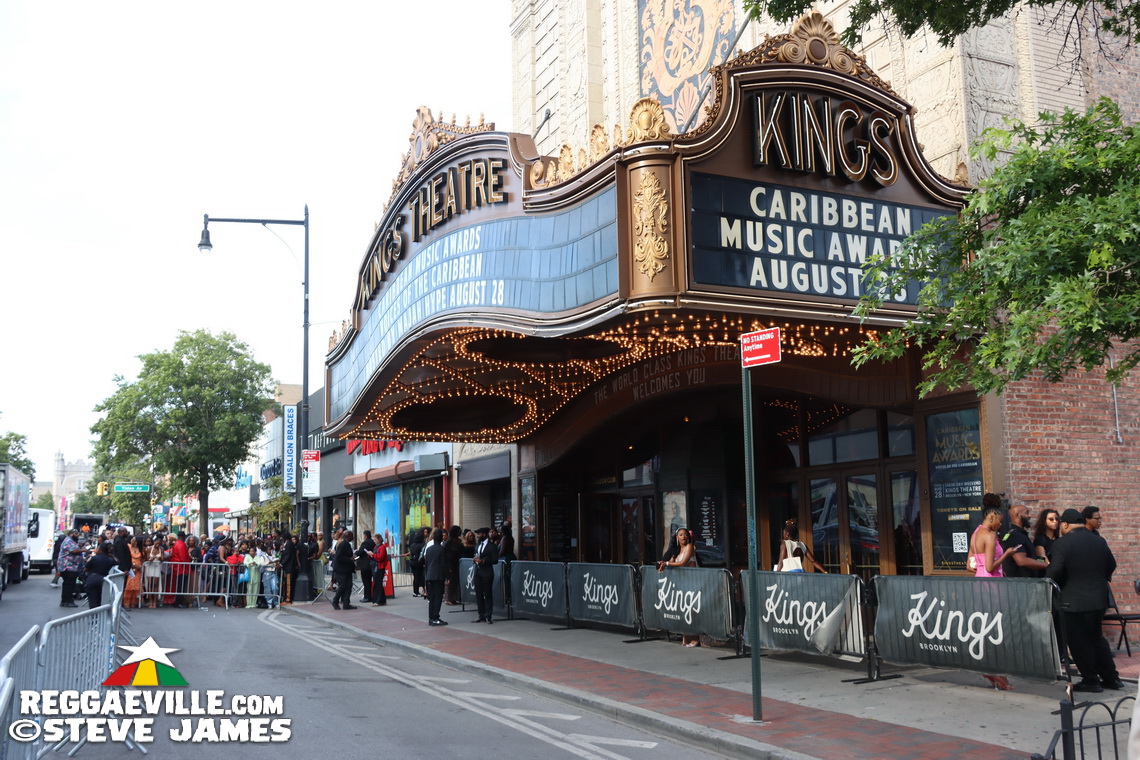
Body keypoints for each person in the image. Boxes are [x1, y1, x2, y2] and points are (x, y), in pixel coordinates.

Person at [1046, 508, 1125, 693]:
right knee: (1096, 638)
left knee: (1079, 641)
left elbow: (1055, 570)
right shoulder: (1098, 540)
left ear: (1065, 524)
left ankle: (1090, 680)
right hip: (1098, 599)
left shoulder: (1061, 544)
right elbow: (1111, 565)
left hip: (1073, 600)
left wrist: (1052, 581)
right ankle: (1111, 678)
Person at [972, 504, 1018, 690]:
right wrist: (1006, 554)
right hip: (991, 585)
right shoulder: (989, 537)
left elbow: (971, 565)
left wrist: (984, 567)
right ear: (992, 517)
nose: (1001, 524)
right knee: (996, 628)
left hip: (979, 583)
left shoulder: (975, 534)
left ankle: (992, 669)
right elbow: (990, 567)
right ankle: (997, 672)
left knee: (987, 626)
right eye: (1000, 520)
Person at [658, 527, 701, 646]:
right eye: (681, 535)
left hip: (692, 583)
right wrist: (663, 564)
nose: (684, 537)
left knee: (692, 611)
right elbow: (670, 561)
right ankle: (686, 637)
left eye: (686, 535)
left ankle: (696, 638)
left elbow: (681, 563)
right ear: (677, 537)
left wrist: (666, 563)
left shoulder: (690, 547)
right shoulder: (677, 550)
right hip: (681, 585)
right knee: (683, 611)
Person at [1001, 504, 1044, 578]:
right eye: (1026, 513)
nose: (1029, 516)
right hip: (1021, 584)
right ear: (1018, 515)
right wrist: (1047, 566)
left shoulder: (1018, 534)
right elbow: (1021, 561)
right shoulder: (1015, 535)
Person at [471, 526, 498, 624]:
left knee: (487, 594)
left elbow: (495, 560)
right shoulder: (477, 545)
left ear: (484, 534)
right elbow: (476, 554)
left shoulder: (492, 546)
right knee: (479, 594)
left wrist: (483, 561)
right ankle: (480, 615)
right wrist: (475, 559)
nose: (477, 536)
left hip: (487, 573)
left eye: (479, 534)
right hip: (478, 572)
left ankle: (488, 616)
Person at [422, 528, 447, 626]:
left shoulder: (429, 549)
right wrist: (447, 577)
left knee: (431, 598)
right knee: (438, 597)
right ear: (440, 538)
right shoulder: (441, 549)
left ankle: (431, 617)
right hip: (438, 576)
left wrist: (426, 575)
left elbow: (427, 563)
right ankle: (435, 617)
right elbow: (443, 564)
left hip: (430, 575)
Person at [84, 541, 118, 609]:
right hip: (104, 580)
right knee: (99, 599)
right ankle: (98, 616)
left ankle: (94, 616)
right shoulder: (110, 560)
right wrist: (112, 555)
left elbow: (85, 568)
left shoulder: (94, 558)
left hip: (92, 579)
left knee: (92, 600)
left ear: (100, 550)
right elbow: (117, 561)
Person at [56, 529, 84, 608]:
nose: (78, 535)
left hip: (71, 567)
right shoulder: (68, 541)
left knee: (68, 584)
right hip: (68, 566)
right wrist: (83, 550)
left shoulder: (72, 541)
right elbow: (74, 551)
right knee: (69, 584)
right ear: (71, 534)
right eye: (76, 533)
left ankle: (65, 600)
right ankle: (67, 600)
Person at [331, 531, 357, 610]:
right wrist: (350, 559)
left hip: (347, 569)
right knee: (343, 586)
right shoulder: (343, 544)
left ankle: (346, 603)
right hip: (341, 569)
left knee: (349, 585)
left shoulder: (347, 544)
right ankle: (335, 601)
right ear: (347, 536)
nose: (353, 537)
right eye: (351, 535)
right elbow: (338, 557)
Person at [369, 534, 391, 606]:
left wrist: (373, 554)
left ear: (379, 539)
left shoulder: (382, 547)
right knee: (377, 584)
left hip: (379, 567)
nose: (374, 541)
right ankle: (381, 600)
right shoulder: (376, 547)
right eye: (374, 540)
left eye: (375, 539)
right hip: (375, 566)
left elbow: (380, 557)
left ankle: (378, 600)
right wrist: (370, 555)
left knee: (378, 584)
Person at [444, 526, 463, 605]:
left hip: (456, 563)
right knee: (450, 581)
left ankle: (454, 598)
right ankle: (448, 599)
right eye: (459, 531)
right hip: (450, 564)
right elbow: (444, 552)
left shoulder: (459, 541)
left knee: (455, 581)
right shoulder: (449, 542)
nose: (460, 532)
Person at [245, 539, 267, 608]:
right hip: (250, 575)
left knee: (255, 589)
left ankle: (253, 603)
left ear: (255, 552)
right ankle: (249, 604)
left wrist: (256, 563)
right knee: (249, 589)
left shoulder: (257, 557)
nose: (251, 552)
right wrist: (250, 563)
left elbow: (259, 563)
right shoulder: (247, 557)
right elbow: (245, 562)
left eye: (253, 551)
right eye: (250, 551)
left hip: (256, 575)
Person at [122, 536, 143, 609]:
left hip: (138, 570)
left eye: (133, 539)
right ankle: (126, 603)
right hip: (130, 568)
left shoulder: (140, 549)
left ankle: (134, 603)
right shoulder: (128, 546)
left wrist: (140, 566)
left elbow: (143, 558)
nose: (131, 540)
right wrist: (132, 565)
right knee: (129, 587)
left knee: (136, 587)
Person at [144, 537, 164, 608]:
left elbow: (162, 558)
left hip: (157, 566)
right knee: (150, 583)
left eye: (159, 543)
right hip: (150, 566)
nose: (157, 545)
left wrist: (160, 558)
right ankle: (150, 601)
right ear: (154, 542)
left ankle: (155, 601)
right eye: (156, 543)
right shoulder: (149, 548)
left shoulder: (161, 549)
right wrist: (150, 559)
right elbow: (146, 558)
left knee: (155, 583)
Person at [408, 527, 428, 597]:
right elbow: (422, 554)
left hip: (412, 561)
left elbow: (411, 553)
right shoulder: (421, 545)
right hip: (418, 562)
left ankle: (415, 591)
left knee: (415, 577)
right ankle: (416, 592)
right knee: (418, 577)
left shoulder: (412, 545)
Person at [357, 530, 375, 603]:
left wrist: (356, 552)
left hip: (365, 565)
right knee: (368, 581)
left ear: (365, 536)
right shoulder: (372, 542)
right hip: (370, 564)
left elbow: (361, 552)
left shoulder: (365, 542)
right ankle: (368, 596)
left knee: (366, 581)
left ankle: (367, 597)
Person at [279, 529, 296, 605]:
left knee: (289, 583)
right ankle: (286, 597)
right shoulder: (287, 544)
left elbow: (288, 556)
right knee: (286, 583)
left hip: (289, 566)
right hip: (287, 566)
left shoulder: (289, 544)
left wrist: (281, 564)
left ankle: (288, 599)